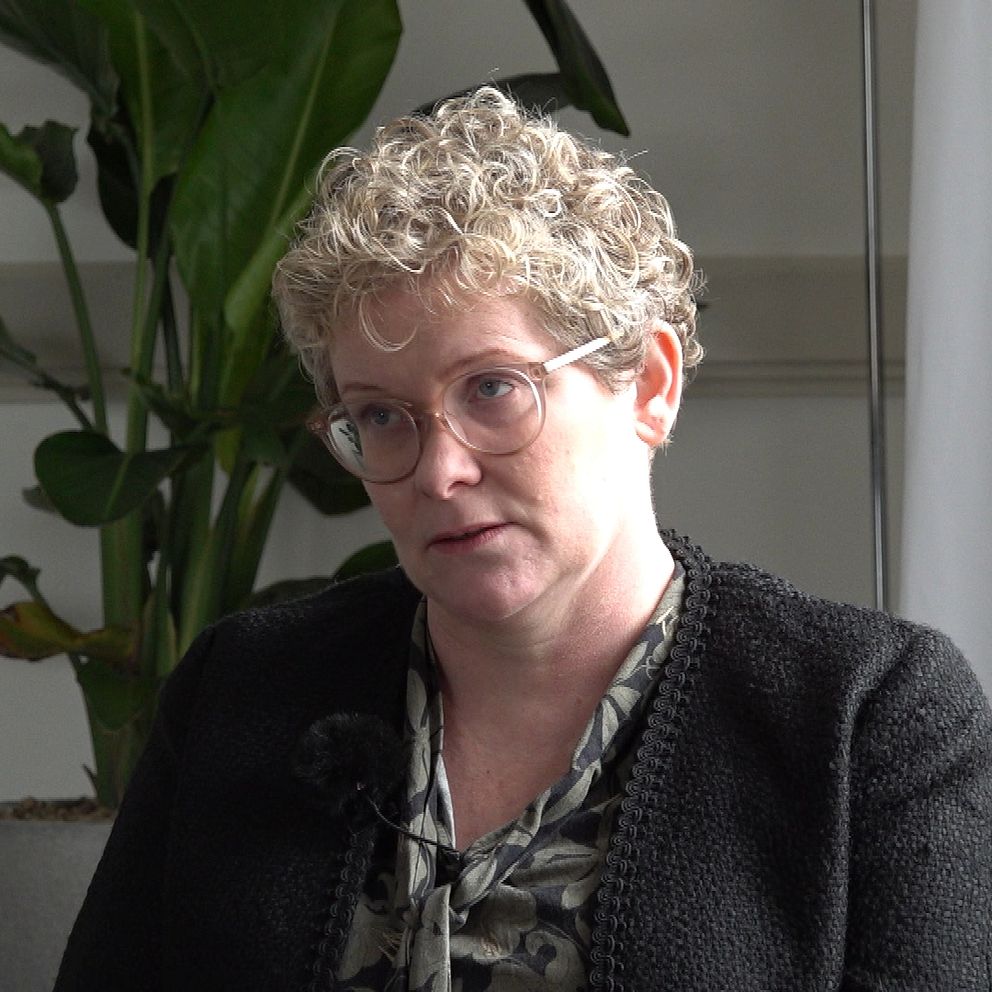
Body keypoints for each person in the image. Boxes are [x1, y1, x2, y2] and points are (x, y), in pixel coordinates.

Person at [55, 87, 992, 992]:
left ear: (649, 384)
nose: (438, 472)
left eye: (493, 389)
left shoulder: (869, 718)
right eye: (379, 416)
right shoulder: (239, 693)